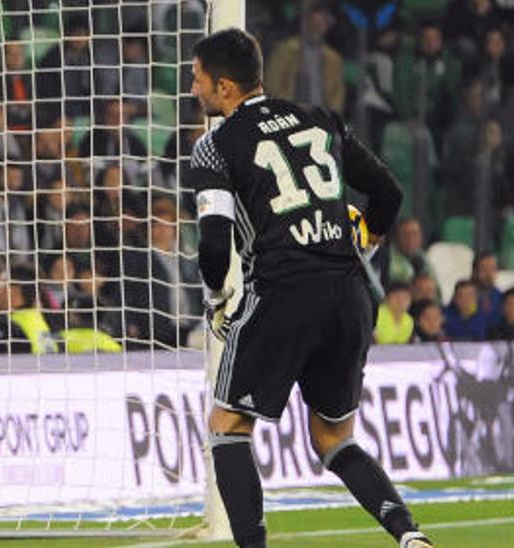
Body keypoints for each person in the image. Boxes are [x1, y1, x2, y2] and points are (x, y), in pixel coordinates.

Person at [187, 29, 430, 548]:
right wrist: (362, 240)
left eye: (198, 79)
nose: (193, 89)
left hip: (281, 291)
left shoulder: (214, 147)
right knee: (332, 438)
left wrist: (215, 298)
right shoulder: (321, 119)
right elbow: (388, 191)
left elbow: (214, 244)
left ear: (225, 87)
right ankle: (409, 536)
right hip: (348, 295)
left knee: (227, 424)